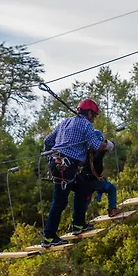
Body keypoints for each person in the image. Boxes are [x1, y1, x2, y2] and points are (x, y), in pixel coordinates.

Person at [42, 98, 114, 247]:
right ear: (89, 113)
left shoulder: (65, 122)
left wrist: (53, 155)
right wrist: (107, 145)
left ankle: (78, 224)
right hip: (65, 166)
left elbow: (48, 141)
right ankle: (48, 237)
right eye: (94, 116)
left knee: (83, 187)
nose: (94, 119)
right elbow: (95, 145)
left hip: (60, 164)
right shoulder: (86, 125)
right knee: (59, 201)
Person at [72, 129, 121, 235]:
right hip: (89, 181)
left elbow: (110, 146)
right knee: (110, 188)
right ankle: (112, 210)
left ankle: (77, 225)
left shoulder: (84, 151)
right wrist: (105, 143)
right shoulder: (96, 152)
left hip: (86, 180)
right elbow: (110, 146)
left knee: (82, 202)